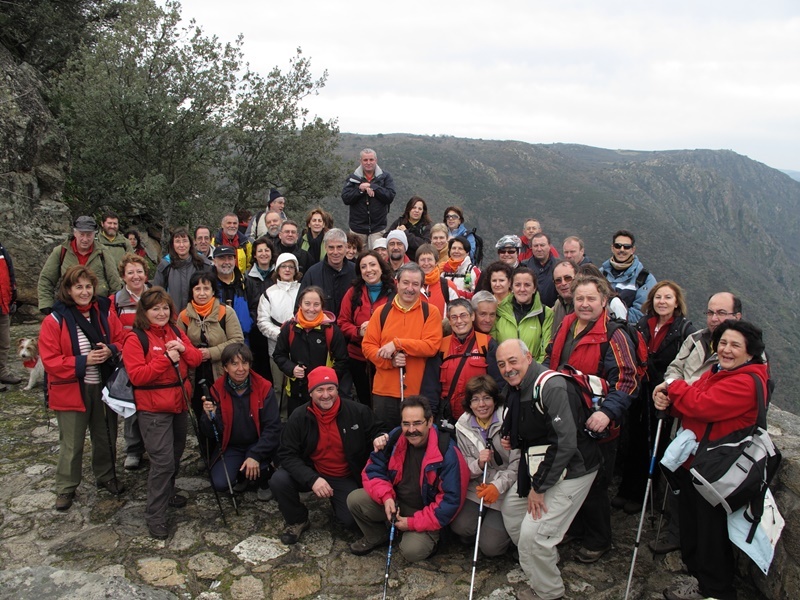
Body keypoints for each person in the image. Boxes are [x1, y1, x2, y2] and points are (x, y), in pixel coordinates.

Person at [653, 320, 768, 600]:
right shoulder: (718, 371)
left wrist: (672, 386)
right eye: (723, 343)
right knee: (694, 529)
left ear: (750, 352)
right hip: (700, 466)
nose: (727, 350)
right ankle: (701, 583)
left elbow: (700, 405)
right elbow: (688, 403)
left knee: (710, 535)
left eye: (735, 345)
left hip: (718, 471)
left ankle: (717, 590)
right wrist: (675, 394)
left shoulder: (746, 382)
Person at [546, 274, 639, 564]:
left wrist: (606, 412)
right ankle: (575, 528)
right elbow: (553, 358)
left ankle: (599, 538)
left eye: (591, 299)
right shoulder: (567, 325)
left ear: (604, 301)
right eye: (580, 298)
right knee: (570, 476)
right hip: (566, 416)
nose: (585, 304)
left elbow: (627, 379)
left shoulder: (615, 335)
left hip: (597, 422)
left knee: (596, 483)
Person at [496, 339, 599, 600]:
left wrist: (539, 489)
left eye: (512, 361)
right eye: (501, 364)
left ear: (528, 357)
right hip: (542, 464)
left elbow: (565, 443)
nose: (507, 368)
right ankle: (539, 563)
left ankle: (548, 592)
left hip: (574, 469)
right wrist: (514, 439)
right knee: (511, 510)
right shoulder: (517, 387)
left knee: (534, 533)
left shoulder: (550, 386)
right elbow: (534, 428)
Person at [648, 291, 743, 555]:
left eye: (721, 313)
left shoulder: (742, 351)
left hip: (714, 438)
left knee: (704, 493)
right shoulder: (696, 339)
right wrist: (666, 387)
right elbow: (675, 368)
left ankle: (703, 556)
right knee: (677, 483)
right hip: (683, 424)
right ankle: (677, 534)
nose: (714, 318)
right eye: (711, 312)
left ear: (737, 316)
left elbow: (712, 395)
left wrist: (676, 390)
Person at [39, 266, 126, 511]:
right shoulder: (54, 320)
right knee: (72, 441)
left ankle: (106, 475)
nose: (85, 292)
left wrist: (111, 349)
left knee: (105, 434)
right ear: (68, 289)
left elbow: (122, 339)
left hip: (103, 384)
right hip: (71, 388)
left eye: (88, 286)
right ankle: (66, 487)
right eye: (78, 287)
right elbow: (50, 360)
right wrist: (83, 361)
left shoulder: (105, 313)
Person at [347, 396, 469, 563]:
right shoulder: (395, 439)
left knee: (411, 552)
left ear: (429, 421)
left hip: (426, 511)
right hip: (397, 502)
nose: (412, 430)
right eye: (406, 424)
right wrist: (387, 497)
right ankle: (377, 535)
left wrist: (412, 523)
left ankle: (427, 537)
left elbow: (450, 501)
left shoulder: (446, 452)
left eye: (417, 423)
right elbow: (373, 470)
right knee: (355, 499)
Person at [123, 287, 203, 539]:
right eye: (155, 308)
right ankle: (155, 515)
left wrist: (181, 347)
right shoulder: (135, 339)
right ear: (144, 312)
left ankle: (167, 495)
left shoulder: (176, 331)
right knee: (163, 462)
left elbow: (195, 360)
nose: (161, 312)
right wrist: (166, 359)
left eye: (165, 308)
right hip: (153, 409)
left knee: (176, 455)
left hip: (179, 404)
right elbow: (137, 375)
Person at [272, 366, 384, 544]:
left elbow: (378, 429)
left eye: (330, 388)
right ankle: (297, 520)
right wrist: (312, 479)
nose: (326, 395)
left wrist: (380, 437)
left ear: (337, 389)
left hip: (343, 475)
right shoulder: (299, 416)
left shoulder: (358, 411)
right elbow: (287, 454)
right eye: (320, 390)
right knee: (279, 480)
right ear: (311, 393)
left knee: (350, 521)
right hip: (313, 469)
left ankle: (337, 501)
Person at [614, 281, 695, 513]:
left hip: (662, 393)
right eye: (659, 297)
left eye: (668, 298)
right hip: (640, 391)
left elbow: (683, 365)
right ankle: (625, 489)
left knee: (652, 446)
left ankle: (641, 494)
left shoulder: (683, 330)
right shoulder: (643, 324)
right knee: (633, 440)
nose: (662, 302)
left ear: (677, 302)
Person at [362, 263, 443, 428]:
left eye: (415, 284)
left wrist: (397, 344)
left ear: (421, 286)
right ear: (397, 283)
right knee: (385, 441)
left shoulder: (431, 312)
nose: (410, 288)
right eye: (406, 282)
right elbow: (368, 346)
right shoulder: (381, 312)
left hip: (417, 392)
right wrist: (389, 362)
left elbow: (431, 346)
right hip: (384, 392)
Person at [200, 343, 281, 501]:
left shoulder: (264, 388)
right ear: (225, 367)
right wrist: (210, 417)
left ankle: (264, 478)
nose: (241, 369)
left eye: (244, 363)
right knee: (220, 483)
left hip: (258, 444)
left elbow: (273, 428)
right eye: (234, 364)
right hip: (231, 446)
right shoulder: (216, 390)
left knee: (260, 468)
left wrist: (255, 454)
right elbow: (210, 433)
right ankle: (242, 475)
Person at [450, 375, 519, 556]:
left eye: (487, 398)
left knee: (491, 548)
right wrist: (479, 464)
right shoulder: (462, 426)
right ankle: (478, 531)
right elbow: (464, 464)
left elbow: (518, 464)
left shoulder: (509, 421)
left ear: (495, 400)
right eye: (475, 399)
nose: (482, 404)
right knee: (460, 527)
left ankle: (504, 536)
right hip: (478, 487)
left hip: (504, 490)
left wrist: (497, 486)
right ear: (469, 403)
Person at [178, 270, 244, 429]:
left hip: (220, 370)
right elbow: (179, 343)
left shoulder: (225, 312)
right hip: (195, 372)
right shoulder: (184, 316)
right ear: (191, 291)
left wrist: (211, 352)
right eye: (197, 289)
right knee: (199, 408)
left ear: (213, 291)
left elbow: (237, 341)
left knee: (223, 410)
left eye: (206, 288)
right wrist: (194, 353)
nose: (202, 293)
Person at [421, 299, 503, 423]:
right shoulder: (441, 346)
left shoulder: (487, 344)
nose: (459, 321)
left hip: (482, 417)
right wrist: (430, 417)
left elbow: (499, 384)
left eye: (463, 315)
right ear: (449, 320)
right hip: (448, 418)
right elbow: (430, 387)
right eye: (454, 317)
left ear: (472, 316)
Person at [272, 286, 350, 415]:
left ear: (322, 306)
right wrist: (292, 369)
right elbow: (279, 355)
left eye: (316, 304)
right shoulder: (289, 328)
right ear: (300, 304)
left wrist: (326, 380)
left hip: (323, 395)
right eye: (307, 304)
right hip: (297, 393)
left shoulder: (331, 330)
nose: (311, 309)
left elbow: (342, 360)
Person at [337, 250, 395, 406]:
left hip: (387, 357)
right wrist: (358, 332)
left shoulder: (395, 291)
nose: (368, 270)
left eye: (372, 265)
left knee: (385, 401)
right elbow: (342, 322)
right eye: (363, 267)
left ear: (381, 267)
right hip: (359, 357)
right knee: (365, 399)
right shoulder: (353, 293)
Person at [110, 252, 151, 471]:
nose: (136, 276)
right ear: (123, 276)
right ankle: (133, 449)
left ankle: (153, 446)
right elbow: (114, 332)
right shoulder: (115, 302)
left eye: (139, 272)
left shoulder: (155, 296)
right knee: (132, 404)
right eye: (130, 273)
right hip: (128, 359)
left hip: (153, 357)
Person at [38, 216, 122, 314]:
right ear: (75, 233)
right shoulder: (61, 251)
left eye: (89, 235)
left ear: (94, 234)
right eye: (82, 234)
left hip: (97, 306)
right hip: (68, 305)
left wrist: (113, 307)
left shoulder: (102, 252)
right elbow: (46, 279)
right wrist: (46, 304)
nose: (85, 239)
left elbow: (114, 282)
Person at [256, 253, 302, 393]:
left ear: (295, 270)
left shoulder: (303, 290)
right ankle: (281, 415)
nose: (287, 270)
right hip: (277, 349)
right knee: (279, 388)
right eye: (283, 266)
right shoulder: (269, 293)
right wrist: (281, 335)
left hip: (301, 347)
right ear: (278, 270)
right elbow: (263, 322)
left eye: (291, 267)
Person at [491, 267, 553, 363]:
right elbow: (493, 348)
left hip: (532, 372)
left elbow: (545, 351)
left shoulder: (545, 313)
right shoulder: (499, 311)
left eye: (527, 285)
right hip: (504, 372)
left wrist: (534, 372)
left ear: (534, 288)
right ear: (511, 287)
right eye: (517, 285)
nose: (522, 289)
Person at [341, 148, 396, 248]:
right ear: (360, 161)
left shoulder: (385, 177)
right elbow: (346, 198)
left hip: (377, 227)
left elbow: (390, 196)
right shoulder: (353, 178)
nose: (368, 163)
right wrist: (360, 190)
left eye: (371, 160)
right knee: (354, 258)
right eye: (365, 160)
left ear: (376, 160)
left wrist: (374, 187)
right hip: (357, 228)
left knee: (377, 258)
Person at [600, 229, 657, 323]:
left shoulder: (645, 279)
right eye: (618, 246)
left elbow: (641, 313)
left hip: (627, 332)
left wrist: (614, 315)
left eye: (626, 247)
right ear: (612, 248)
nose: (622, 250)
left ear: (633, 250)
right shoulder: (600, 274)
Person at [298, 229, 356, 318]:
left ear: (345, 247)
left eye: (339, 247)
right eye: (331, 247)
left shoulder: (356, 271)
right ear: (325, 247)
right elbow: (299, 307)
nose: (335, 252)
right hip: (321, 329)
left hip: (350, 329)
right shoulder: (312, 273)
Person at [153, 227, 212, 312]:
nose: (181, 245)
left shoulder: (202, 263)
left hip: (199, 316)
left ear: (190, 243)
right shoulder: (165, 265)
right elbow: (156, 294)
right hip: (173, 317)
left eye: (184, 241)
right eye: (177, 241)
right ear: (172, 244)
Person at [244, 236, 276, 381]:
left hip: (276, 329)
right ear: (255, 255)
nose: (264, 254)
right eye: (260, 251)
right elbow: (247, 303)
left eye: (267, 250)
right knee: (258, 368)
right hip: (255, 330)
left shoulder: (278, 275)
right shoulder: (247, 278)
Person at [211, 245, 253, 342]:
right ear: (214, 261)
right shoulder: (208, 284)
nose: (226, 262)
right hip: (216, 341)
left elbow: (254, 307)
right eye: (222, 258)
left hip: (243, 339)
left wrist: (248, 323)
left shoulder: (245, 282)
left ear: (235, 260)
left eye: (230, 258)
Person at [416, 243, 458, 315]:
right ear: (417, 263)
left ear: (436, 262)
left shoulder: (448, 286)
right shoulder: (411, 286)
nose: (426, 263)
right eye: (422, 260)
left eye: (429, 259)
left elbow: (457, 312)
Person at [0, 241, 20, 390]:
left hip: (3, 303)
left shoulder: (1, 249)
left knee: (4, 342)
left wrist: (13, 295)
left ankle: (2, 372)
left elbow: (9, 272)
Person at [523, 232, 557, 308]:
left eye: (542, 245)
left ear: (549, 246)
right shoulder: (523, 266)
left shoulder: (559, 266)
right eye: (535, 246)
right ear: (531, 247)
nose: (539, 249)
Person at [551, 259, 577, 332]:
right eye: (558, 280)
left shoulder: (589, 304)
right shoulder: (558, 305)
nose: (563, 283)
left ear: (578, 278)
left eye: (568, 278)